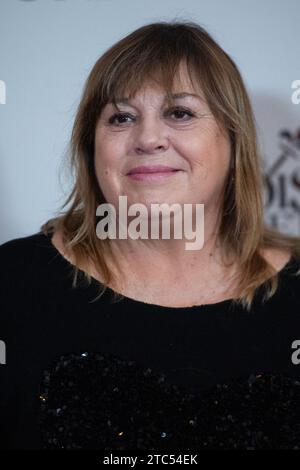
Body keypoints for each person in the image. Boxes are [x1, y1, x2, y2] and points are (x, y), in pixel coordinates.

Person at [1, 20, 300, 451]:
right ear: (92, 148)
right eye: (121, 117)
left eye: (180, 113)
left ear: (234, 140)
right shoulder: (11, 286)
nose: (148, 138)